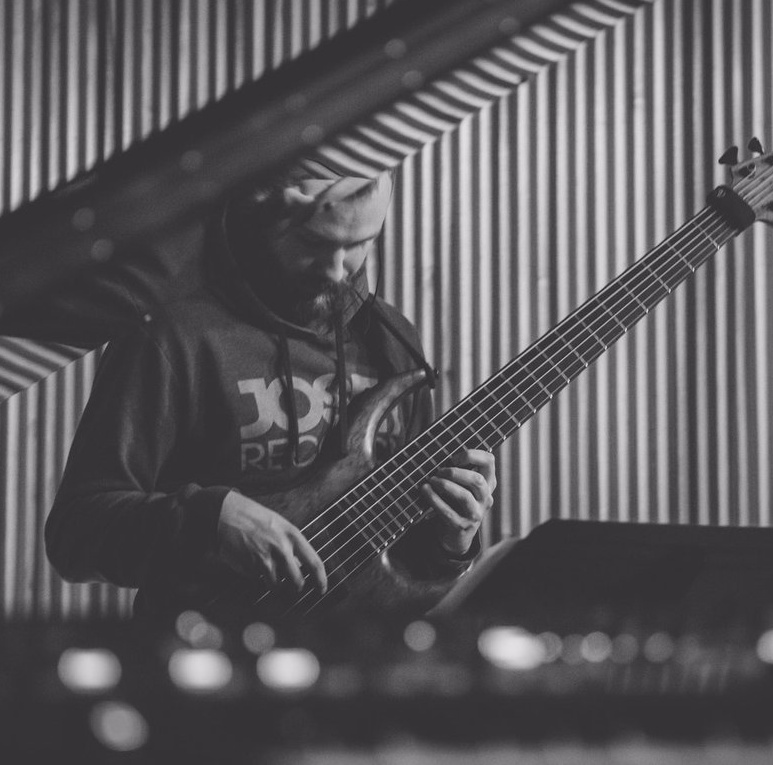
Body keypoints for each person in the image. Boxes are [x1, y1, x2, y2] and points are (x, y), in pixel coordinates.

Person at [45, 158, 497, 617]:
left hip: (354, 649)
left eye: (360, 243)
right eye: (314, 242)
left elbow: (405, 558)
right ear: (260, 213)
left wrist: (451, 540)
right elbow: (76, 534)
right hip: (204, 645)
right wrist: (210, 521)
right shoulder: (173, 334)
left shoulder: (393, 343)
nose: (337, 270)